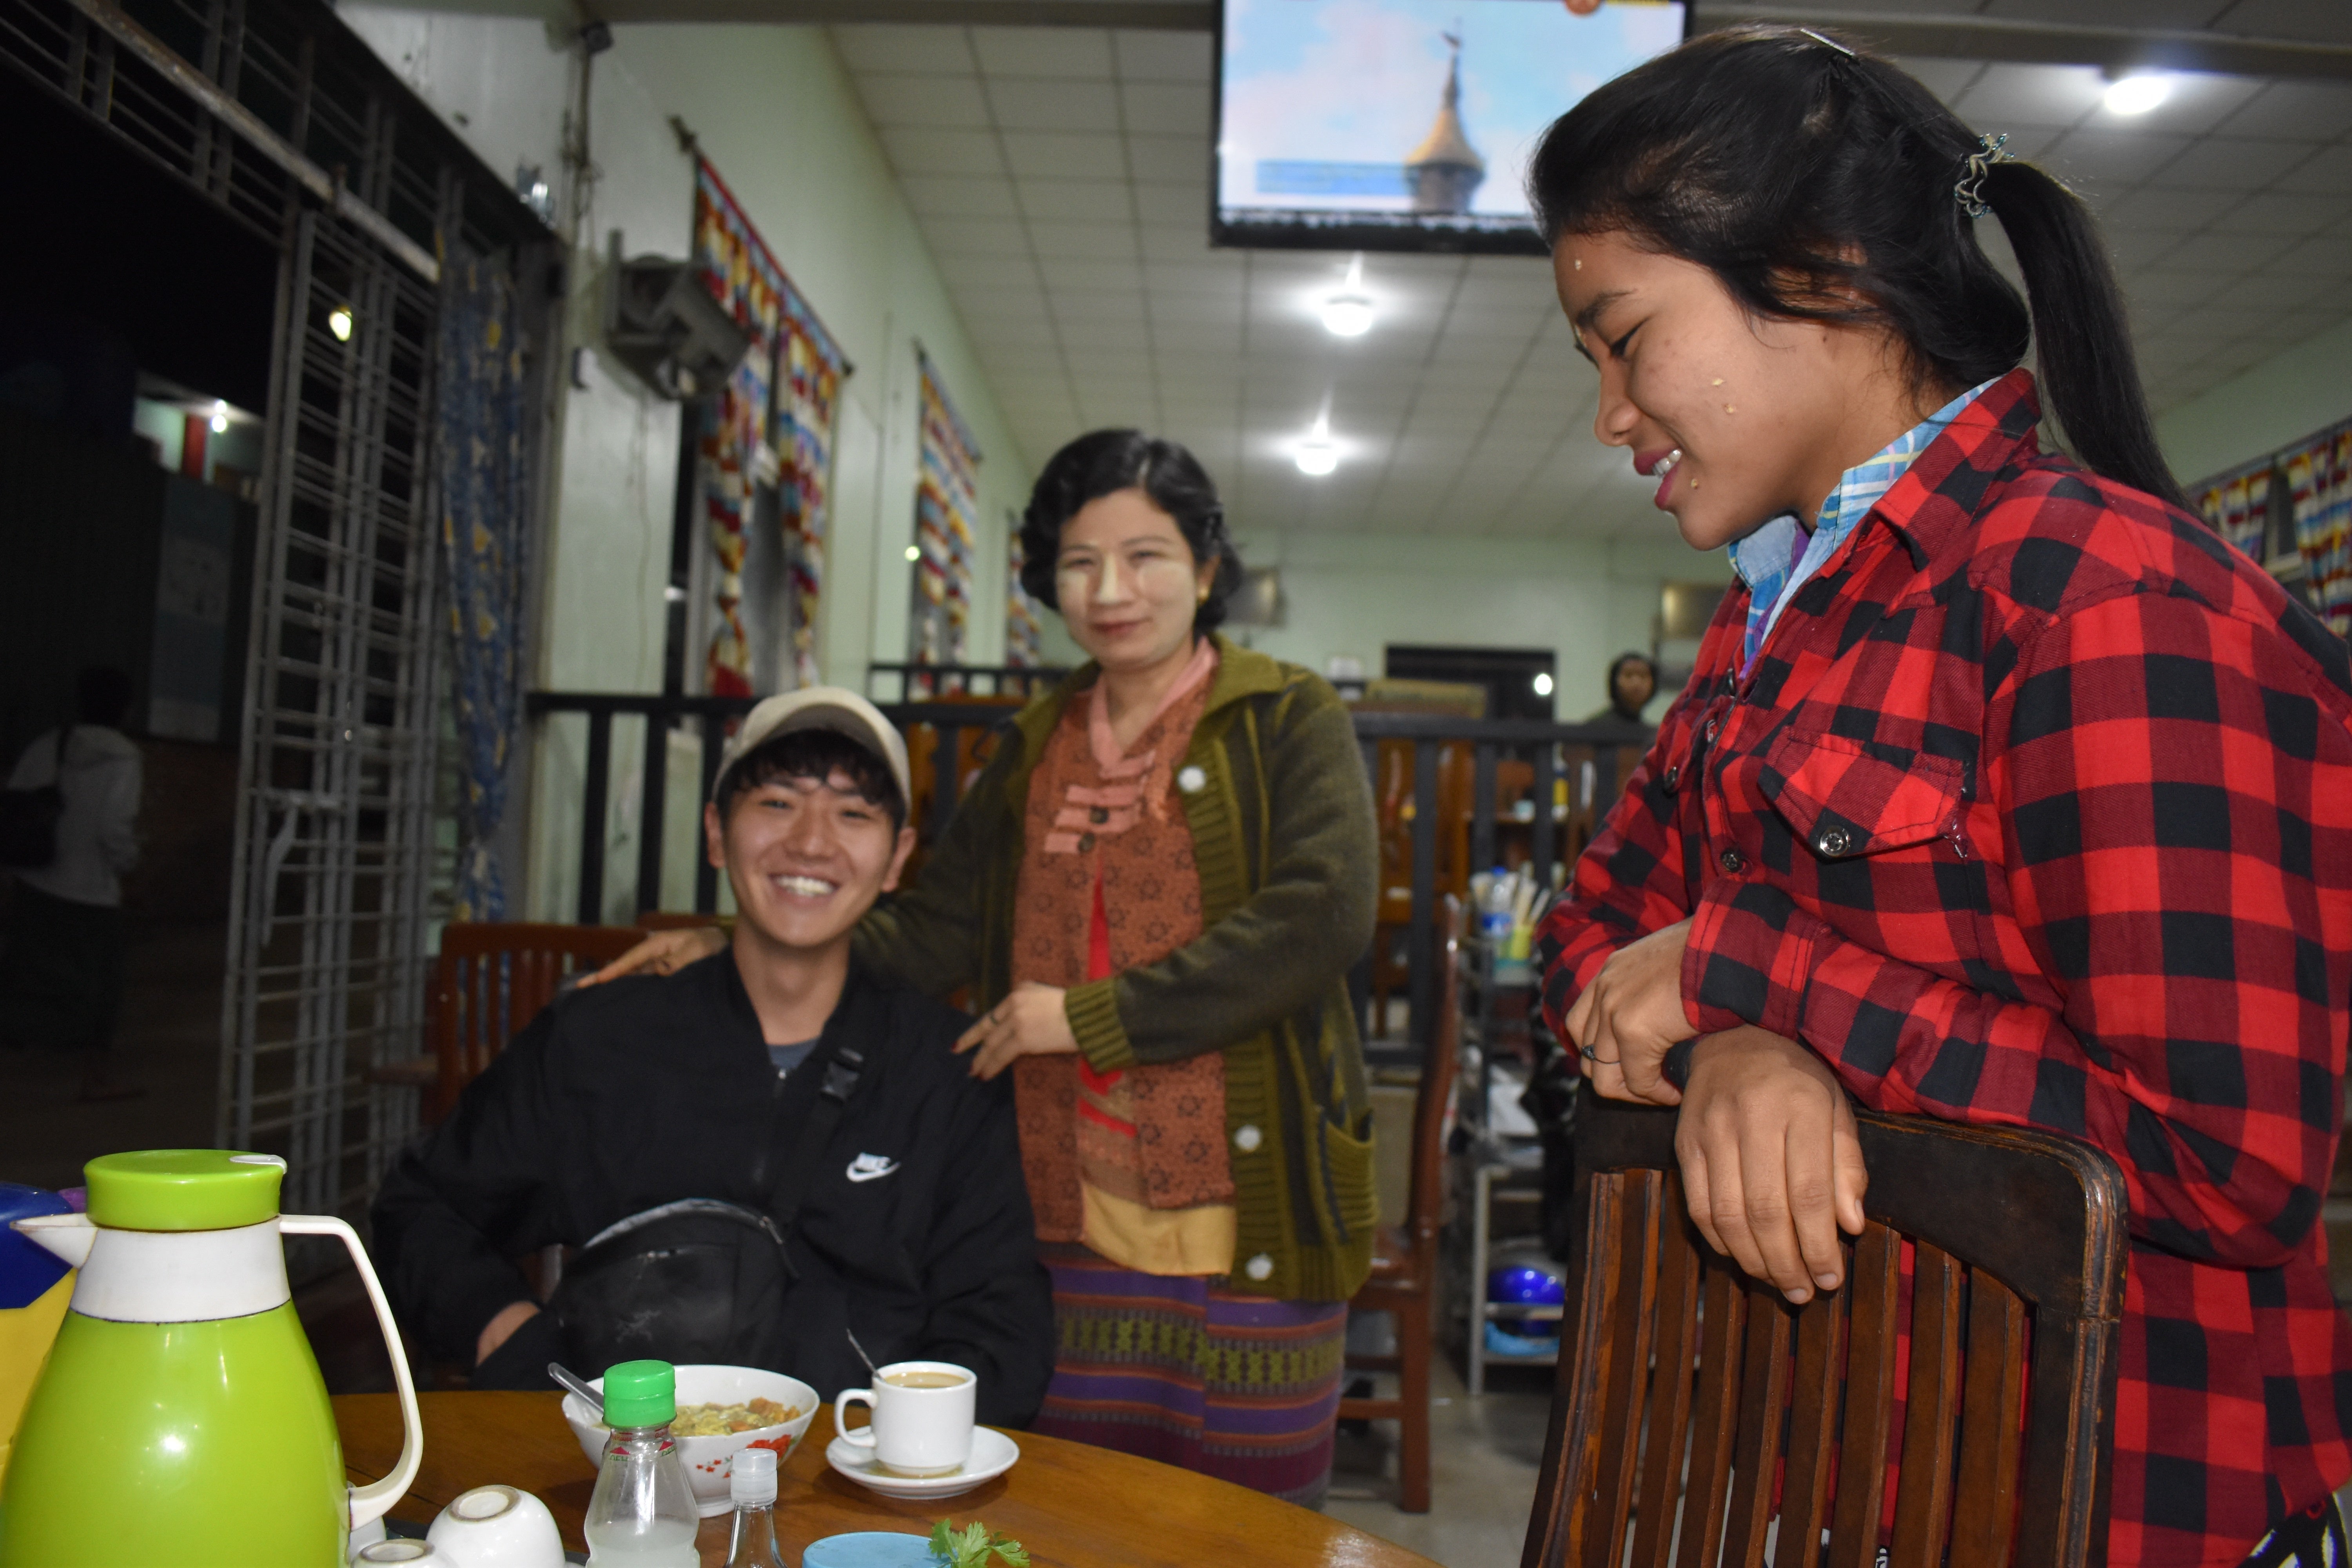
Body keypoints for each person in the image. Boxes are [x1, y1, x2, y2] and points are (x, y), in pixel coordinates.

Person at [1531, 26, 2352, 1568]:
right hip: (1841, 1476)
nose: (1612, 416)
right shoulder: (1774, 619)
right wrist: (1738, 1046)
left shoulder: (2103, 599)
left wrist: (1758, 977)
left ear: (1822, 275)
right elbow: (1587, 944)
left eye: (1625, 339)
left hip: (2105, 1508)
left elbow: (2225, 1159)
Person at [591, 432, 1381, 1505]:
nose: (1112, 590)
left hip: (1258, 1219)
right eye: (1079, 562)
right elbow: (935, 933)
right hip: (1066, 1217)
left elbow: (1322, 916)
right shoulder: (1033, 745)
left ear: (1205, 568)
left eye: (1145, 556)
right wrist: (749, 938)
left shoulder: (1287, 715)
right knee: (1076, 1519)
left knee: (1253, 1530)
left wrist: (1092, 1017)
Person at [370, 690, 1054, 1425]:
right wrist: (510, 1338)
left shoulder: (945, 1073)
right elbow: (421, 1208)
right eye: (777, 803)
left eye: (854, 814)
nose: (812, 842)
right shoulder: (604, 1041)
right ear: (717, 834)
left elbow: (1002, 1327)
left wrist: (895, 1448)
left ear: (897, 858)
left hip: (854, 1474)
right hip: (629, 1465)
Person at [0, 666, 142, 1100]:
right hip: (92, 893)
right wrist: (129, 860)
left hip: (37, 882)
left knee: (25, 979)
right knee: (102, 991)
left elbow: (14, 803)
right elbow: (113, 829)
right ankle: (94, 1079)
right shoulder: (124, 757)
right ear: (124, 709)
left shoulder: (48, 744)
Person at [1582, 651, 1658, 739]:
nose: (1636, 683)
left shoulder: (1652, 735)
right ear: (1614, 682)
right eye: (1628, 675)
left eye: (1643, 676)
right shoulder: (1595, 729)